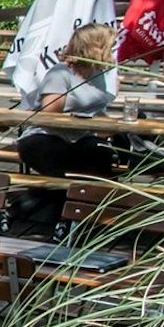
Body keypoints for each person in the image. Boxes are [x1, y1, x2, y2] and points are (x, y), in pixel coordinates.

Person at [12, 23, 124, 235]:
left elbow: (96, 111)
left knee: (101, 156)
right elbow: (49, 117)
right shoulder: (60, 73)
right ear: (95, 47)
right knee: (60, 159)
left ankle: (89, 218)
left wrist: (114, 125)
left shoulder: (97, 73)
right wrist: (83, 122)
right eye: (109, 46)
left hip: (80, 138)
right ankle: (37, 214)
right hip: (45, 136)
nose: (113, 50)